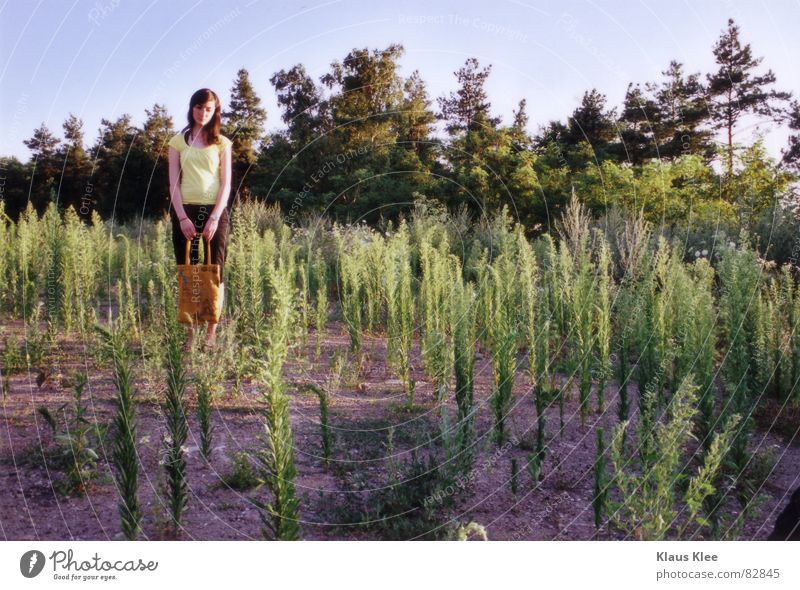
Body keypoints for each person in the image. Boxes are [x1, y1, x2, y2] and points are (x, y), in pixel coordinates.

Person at [167, 88, 233, 351]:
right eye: (198, 107)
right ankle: (191, 336)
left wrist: (215, 217)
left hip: (215, 212)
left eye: (208, 109)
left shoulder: (222, 143)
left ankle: (211, 336)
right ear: (191, 108)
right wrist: (181, 217)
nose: (202, 113)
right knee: (190, 273)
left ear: (214, 111)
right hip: (186, 211)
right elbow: (173, 183)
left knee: (214, 272)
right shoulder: (177, 142)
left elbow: (226, 184)